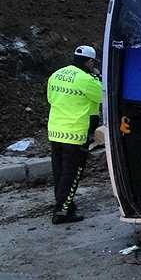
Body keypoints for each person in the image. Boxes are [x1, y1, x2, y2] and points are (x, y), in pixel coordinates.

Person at [47, 46, 102, 224]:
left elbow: (50, 99)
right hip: (74, 134)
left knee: (60, 172)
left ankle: (65, 205)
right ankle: (62, 212)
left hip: (55, 132)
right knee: (72, 174)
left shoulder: (56, 74)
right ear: (90, 62)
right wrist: (98, 77)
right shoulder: (87, 80)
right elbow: (103, 97)